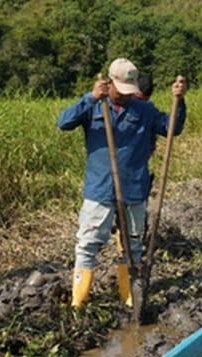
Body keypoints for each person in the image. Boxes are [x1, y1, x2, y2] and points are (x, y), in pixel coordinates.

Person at [57, 58, 187, 308]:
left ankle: (129, 298)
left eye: (130, 91)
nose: (126, 97)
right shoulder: (94, 106)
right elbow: (63, 123)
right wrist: (90, 98)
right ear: (108, 83)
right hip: (100, 188)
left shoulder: (143, 110)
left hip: (134, 188)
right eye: (120, 91)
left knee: (132, 245)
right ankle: (79, 301)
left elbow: (172, 128)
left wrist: (179, 102)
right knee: (88, 244)